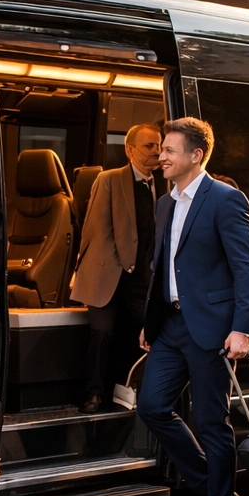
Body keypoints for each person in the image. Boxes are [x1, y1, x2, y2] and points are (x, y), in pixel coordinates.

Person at [136, 117, 249, 496]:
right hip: (169, 326)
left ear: (195, 155)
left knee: (211, 423)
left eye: (169, 150)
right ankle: (214, 488)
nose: (161, 156)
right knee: (151, 406)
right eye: (160, 150)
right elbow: (161, 268)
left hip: (211, 328)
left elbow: (246, 268)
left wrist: (242, 327)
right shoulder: (165, 203)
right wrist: (150, 323)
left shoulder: (226, 200)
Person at [70, 123, 165, 413]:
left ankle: (137, 392)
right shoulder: (109, 179)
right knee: (102, 332)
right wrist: (125, 264)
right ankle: (93, 394)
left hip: (142, 279)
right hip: (108, 274)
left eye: (159, 146)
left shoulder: (164, 184)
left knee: (154, 331)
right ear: (130, 150)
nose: (156, 152)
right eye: (149, 146)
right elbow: (98, 231)